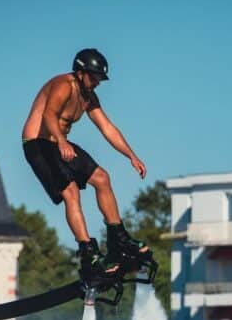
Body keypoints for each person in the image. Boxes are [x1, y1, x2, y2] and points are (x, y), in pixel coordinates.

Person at [22, 48, 151, 280]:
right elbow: (49, 115)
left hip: (61, 144)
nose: (97, 82)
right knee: (71, 191)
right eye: (94, 77)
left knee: (102, 178)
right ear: (80, 72)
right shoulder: (64, 85)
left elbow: (107, 128)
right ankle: (88, 253)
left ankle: (118, 239)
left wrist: (131, 155)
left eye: (100, 79)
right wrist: (61, 141)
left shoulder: (89, 95)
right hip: (38, 144)